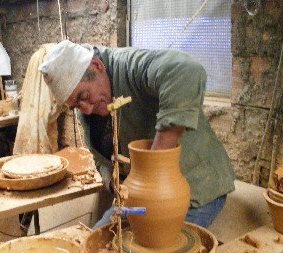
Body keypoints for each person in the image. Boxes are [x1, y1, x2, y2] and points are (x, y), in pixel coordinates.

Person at [39, 40, 235, 229]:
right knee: (95, 243)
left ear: (97, 66)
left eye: (84, 96)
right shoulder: (88, 110)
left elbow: (187, 70)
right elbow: (100, 159)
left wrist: (155, 162)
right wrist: (114, 183)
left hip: (195, 191)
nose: (87, 110)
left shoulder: (131, 67)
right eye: (76, 106)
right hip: (136, 200)